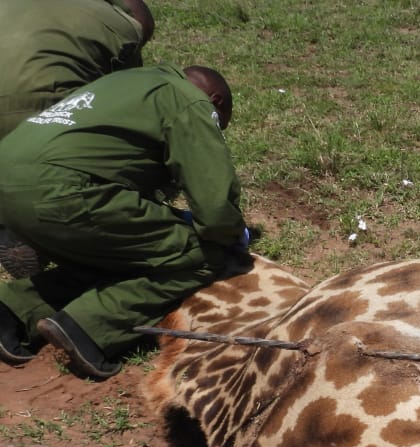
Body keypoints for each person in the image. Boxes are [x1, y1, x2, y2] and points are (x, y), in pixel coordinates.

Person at [0, 63, 248, 379]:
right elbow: (215, 212)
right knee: (203, 254)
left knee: (118, 252)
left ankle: (10, 312)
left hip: (9, 186)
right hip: (61, 191)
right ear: (216, 102)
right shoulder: (188, 101)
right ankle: (88, 329)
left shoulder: (128, 81)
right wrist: (231, 234)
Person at [0, 0, 156, 278]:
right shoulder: (122, 27)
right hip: (40, 113)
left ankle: (11, 224)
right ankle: (45, 232)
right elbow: (127, 99)